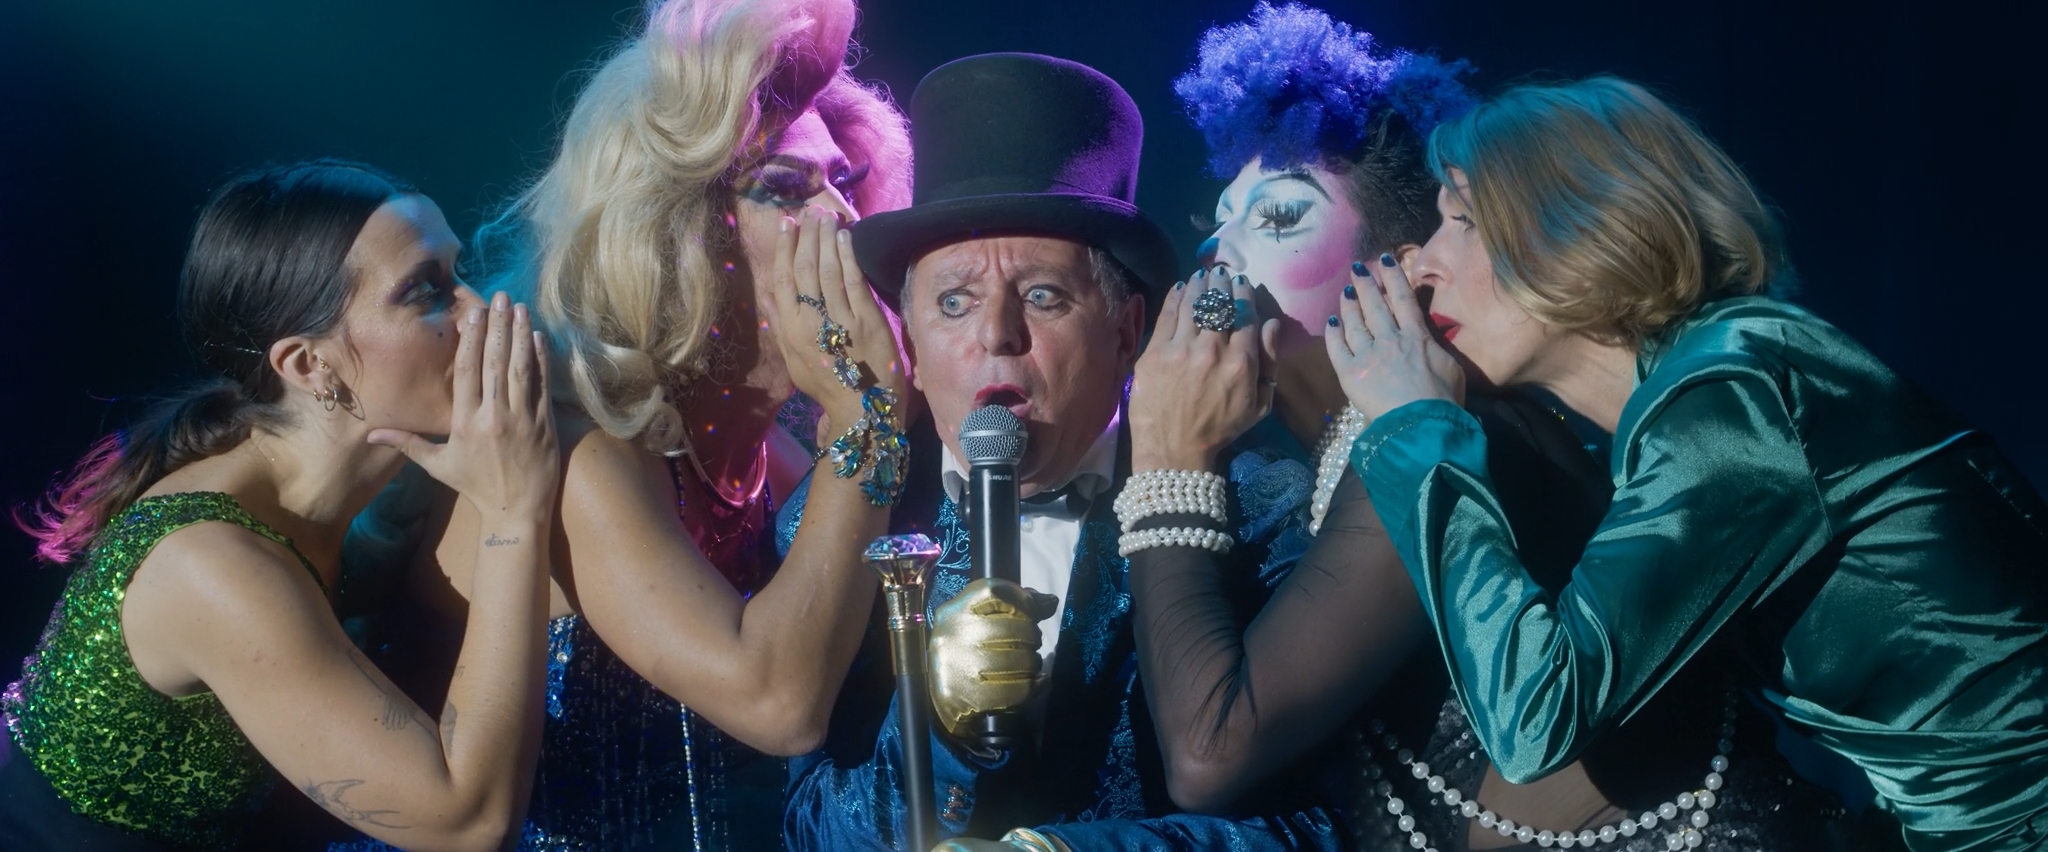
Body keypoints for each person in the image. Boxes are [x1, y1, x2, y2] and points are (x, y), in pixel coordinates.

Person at [1127, 7, 1861, 851]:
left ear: (1403, 266)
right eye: (1219, 217)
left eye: (1279, 216)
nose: (1219, 250)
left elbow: (1211, 751)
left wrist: (1168, 460)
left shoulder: (1457, 435)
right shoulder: (1330, 465)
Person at [1329, 75, 2048, 851]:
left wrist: (1415, 427)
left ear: (1578, 227)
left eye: (1463, 221)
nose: (1423, 264)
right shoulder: (1690, 407)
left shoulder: (1738, 390)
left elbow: (1535, 717)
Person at [325, 0, 915, 849]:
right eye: (787, 189)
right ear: (678, 233)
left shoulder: (768, 457)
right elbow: (778, 704)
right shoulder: (584, 447)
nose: (843, 220)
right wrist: (868, 412)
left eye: (845, 183)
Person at [779, 52, 1342, 851]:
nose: (996, 334)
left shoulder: (1259, 504)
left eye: (1043, 296)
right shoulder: (845, 518)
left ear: (1125, 333)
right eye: (954, 301)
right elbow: (805, 828)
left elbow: (1320, 826)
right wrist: (940, 730)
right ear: (913, 345)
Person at [0, 160, 558, 851]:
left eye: (459, 271)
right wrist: (513, 511)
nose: (485, 311)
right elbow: (469, 824)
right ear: (308, 365)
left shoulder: (325, 495)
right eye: (426, 291)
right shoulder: (213, 564)